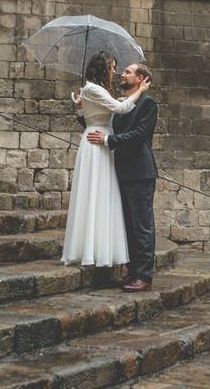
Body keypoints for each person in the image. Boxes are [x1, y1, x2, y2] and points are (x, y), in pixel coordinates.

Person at [61, 52, 149, 268]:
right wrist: (140, 91)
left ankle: (100, 247)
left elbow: (100, 112)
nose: (115, 72)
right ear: (103, 67)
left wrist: (81, 107)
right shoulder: (93, 88)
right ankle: (92, 250)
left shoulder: (93, 90)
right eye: (113, 67)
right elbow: (121, 109)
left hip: (102, 143)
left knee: (102, 196)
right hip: (97, 144)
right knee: (94, 195)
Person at [86, 63, 158, 292]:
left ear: (141, 79)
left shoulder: (147, 104)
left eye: (128, 71)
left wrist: (109, 142)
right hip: (121, 171)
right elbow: (102, 126)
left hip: (140, 172)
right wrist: (81, 108)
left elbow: (139, 135)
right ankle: (132, 271)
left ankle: (144, 276)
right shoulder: (119, 105)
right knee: (127, 225)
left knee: (142, 226)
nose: (122, 74)